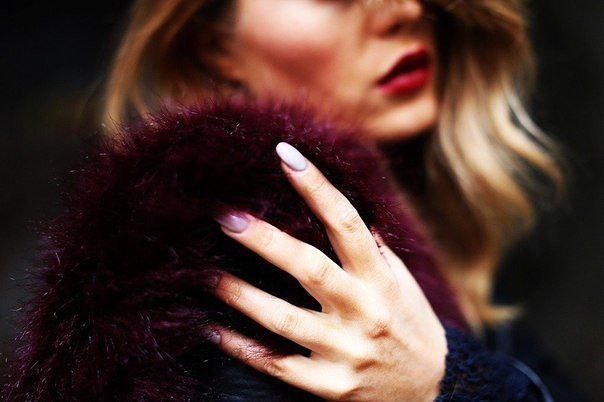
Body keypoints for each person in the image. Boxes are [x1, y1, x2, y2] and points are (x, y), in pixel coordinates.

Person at [3, 1, 583, 401]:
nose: (405, 9)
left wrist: (445, 382)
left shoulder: (427, 232)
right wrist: (453, 387)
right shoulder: (223, 248)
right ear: (214, 46)